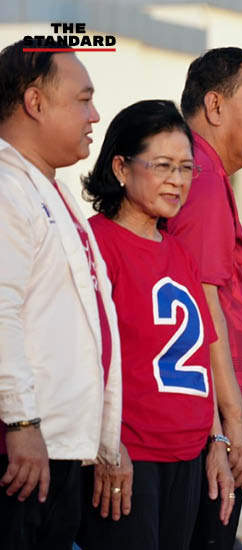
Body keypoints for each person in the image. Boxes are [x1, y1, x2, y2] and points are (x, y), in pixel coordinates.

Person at [74, 100, 234, 549]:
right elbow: (84, 359)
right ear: (121, 166)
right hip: (129, 457)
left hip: (187, 457)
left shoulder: (179, 252)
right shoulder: (93, 244)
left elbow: (199, 359)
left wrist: (217, 440)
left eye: (186, 168)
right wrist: (107, 447)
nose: (177, 180)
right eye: (163, 165)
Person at [0, 43, 122, 549]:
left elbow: (95, 327)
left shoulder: (54, 190)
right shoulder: (7, 187)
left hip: (65, 448)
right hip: (24, 450)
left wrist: (107, 441)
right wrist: (20, 421)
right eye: (83, 100)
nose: (95, 116)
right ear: (35, 102)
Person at [165, 47, 242, 548]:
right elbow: (197, 312)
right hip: (204, 433)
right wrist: (226, 430)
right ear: (214, 106)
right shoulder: (202, 179)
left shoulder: (204, 174)